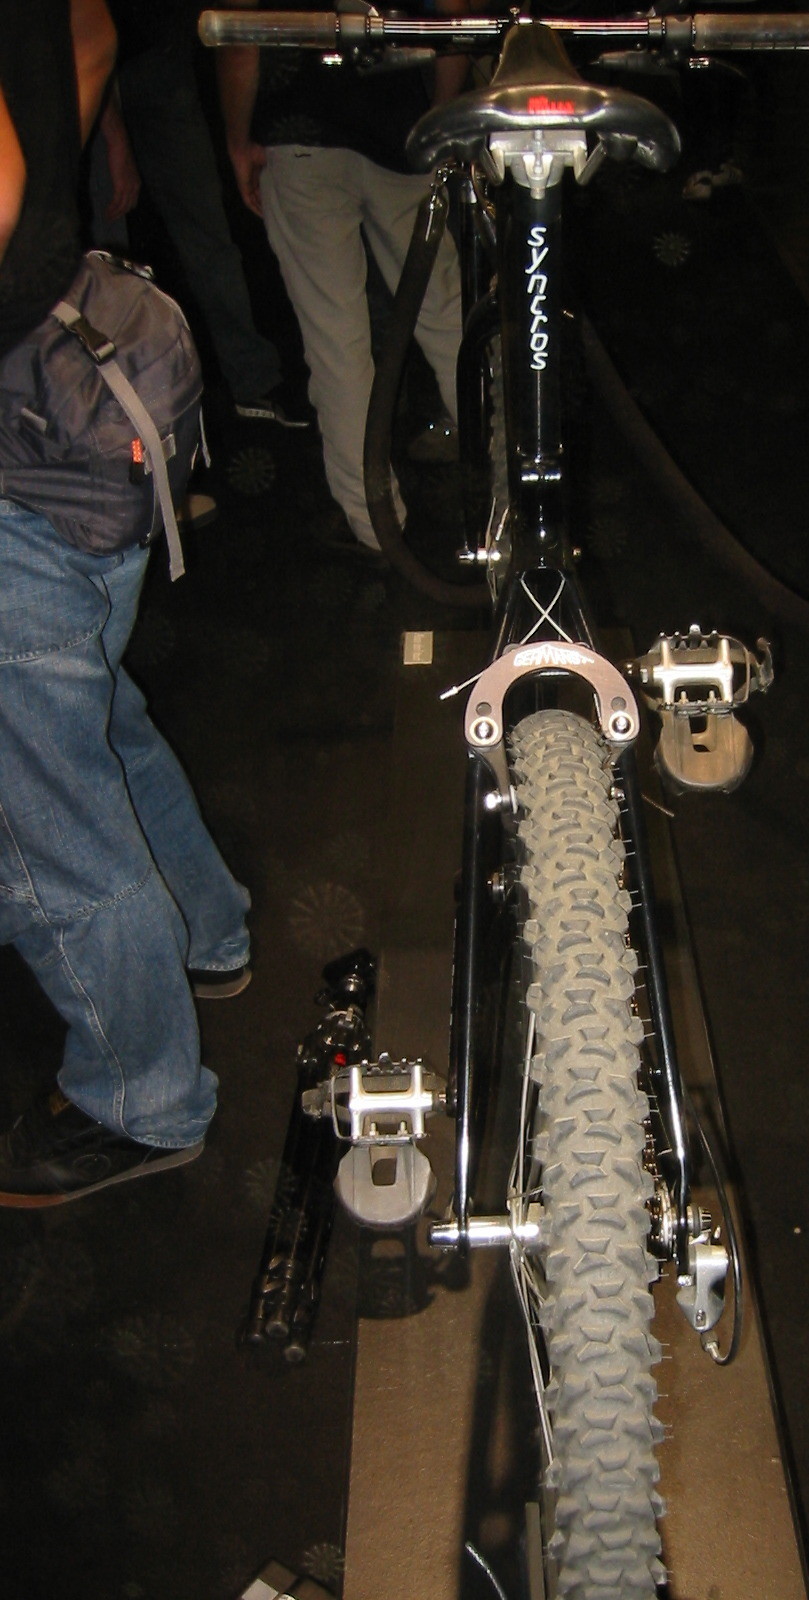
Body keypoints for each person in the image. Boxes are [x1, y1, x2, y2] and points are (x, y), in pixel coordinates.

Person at [0, 0, 251, 1206]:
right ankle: (205, 933)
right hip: (80, 401)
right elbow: (90, 32)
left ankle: (141, 1097)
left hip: (20, 460)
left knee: (45, 820)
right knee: (93, 720)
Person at [215, 0, 464, 556]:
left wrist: (237, 137)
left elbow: (239, 33)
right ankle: (513, 476)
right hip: (401, 125)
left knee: (337, 339)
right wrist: (443, 114)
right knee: (446, 311)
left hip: (301, 128)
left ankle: (375, 523)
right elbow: (453, 13)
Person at [91, 0, 309, 429]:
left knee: (205, 232)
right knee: (105, 257)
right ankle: (110, 405)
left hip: (157, 54)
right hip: (87, 71)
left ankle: (251, 378)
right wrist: (113, 132)